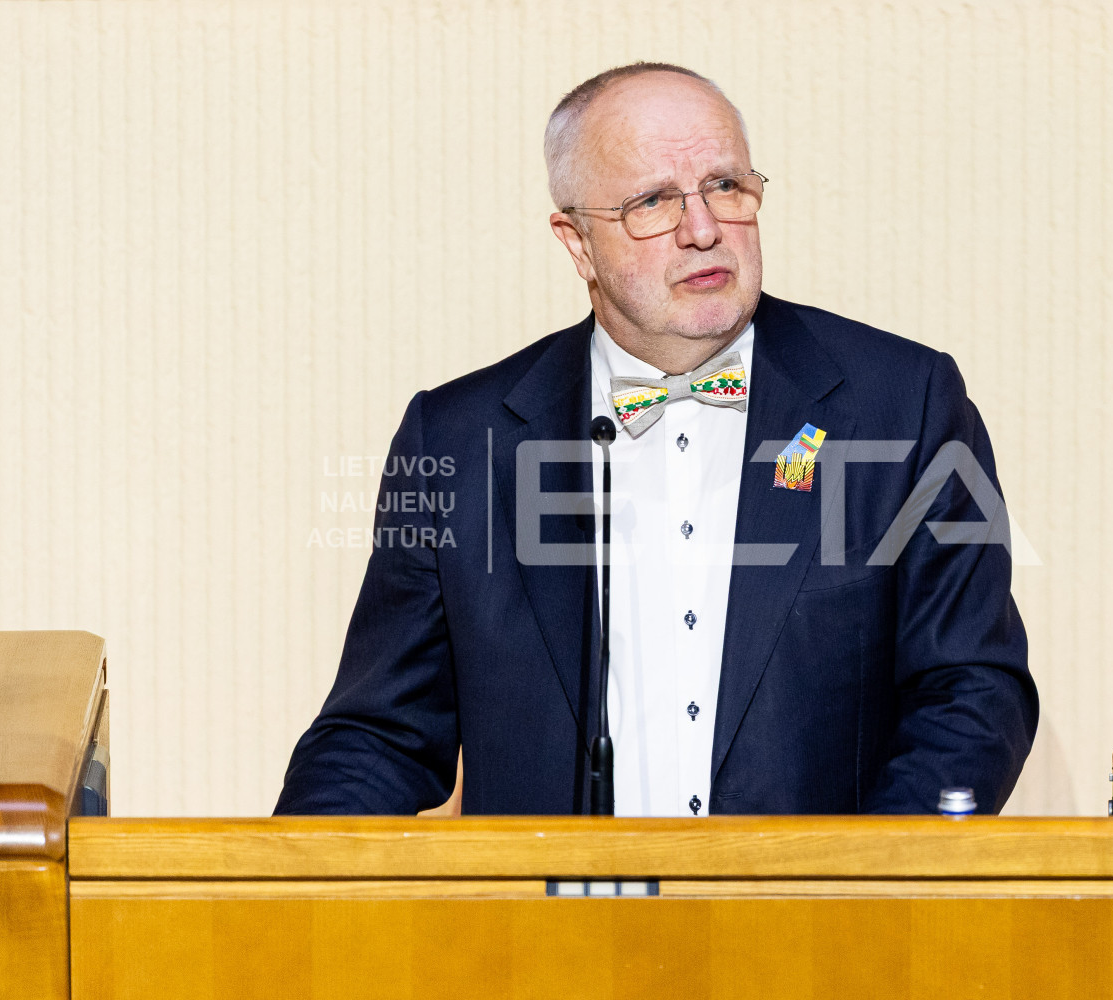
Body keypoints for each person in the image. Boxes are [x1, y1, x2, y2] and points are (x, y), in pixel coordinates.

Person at [275, 62, 1037, 817]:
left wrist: (861, 877)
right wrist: (284, 875)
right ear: (577, 243)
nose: (702, 230)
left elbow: (972, 689)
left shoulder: (904, 405)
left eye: (725, 186)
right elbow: (380, 735)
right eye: (652, 202)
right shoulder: (458, 441)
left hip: (815, 896)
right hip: (554, 899)